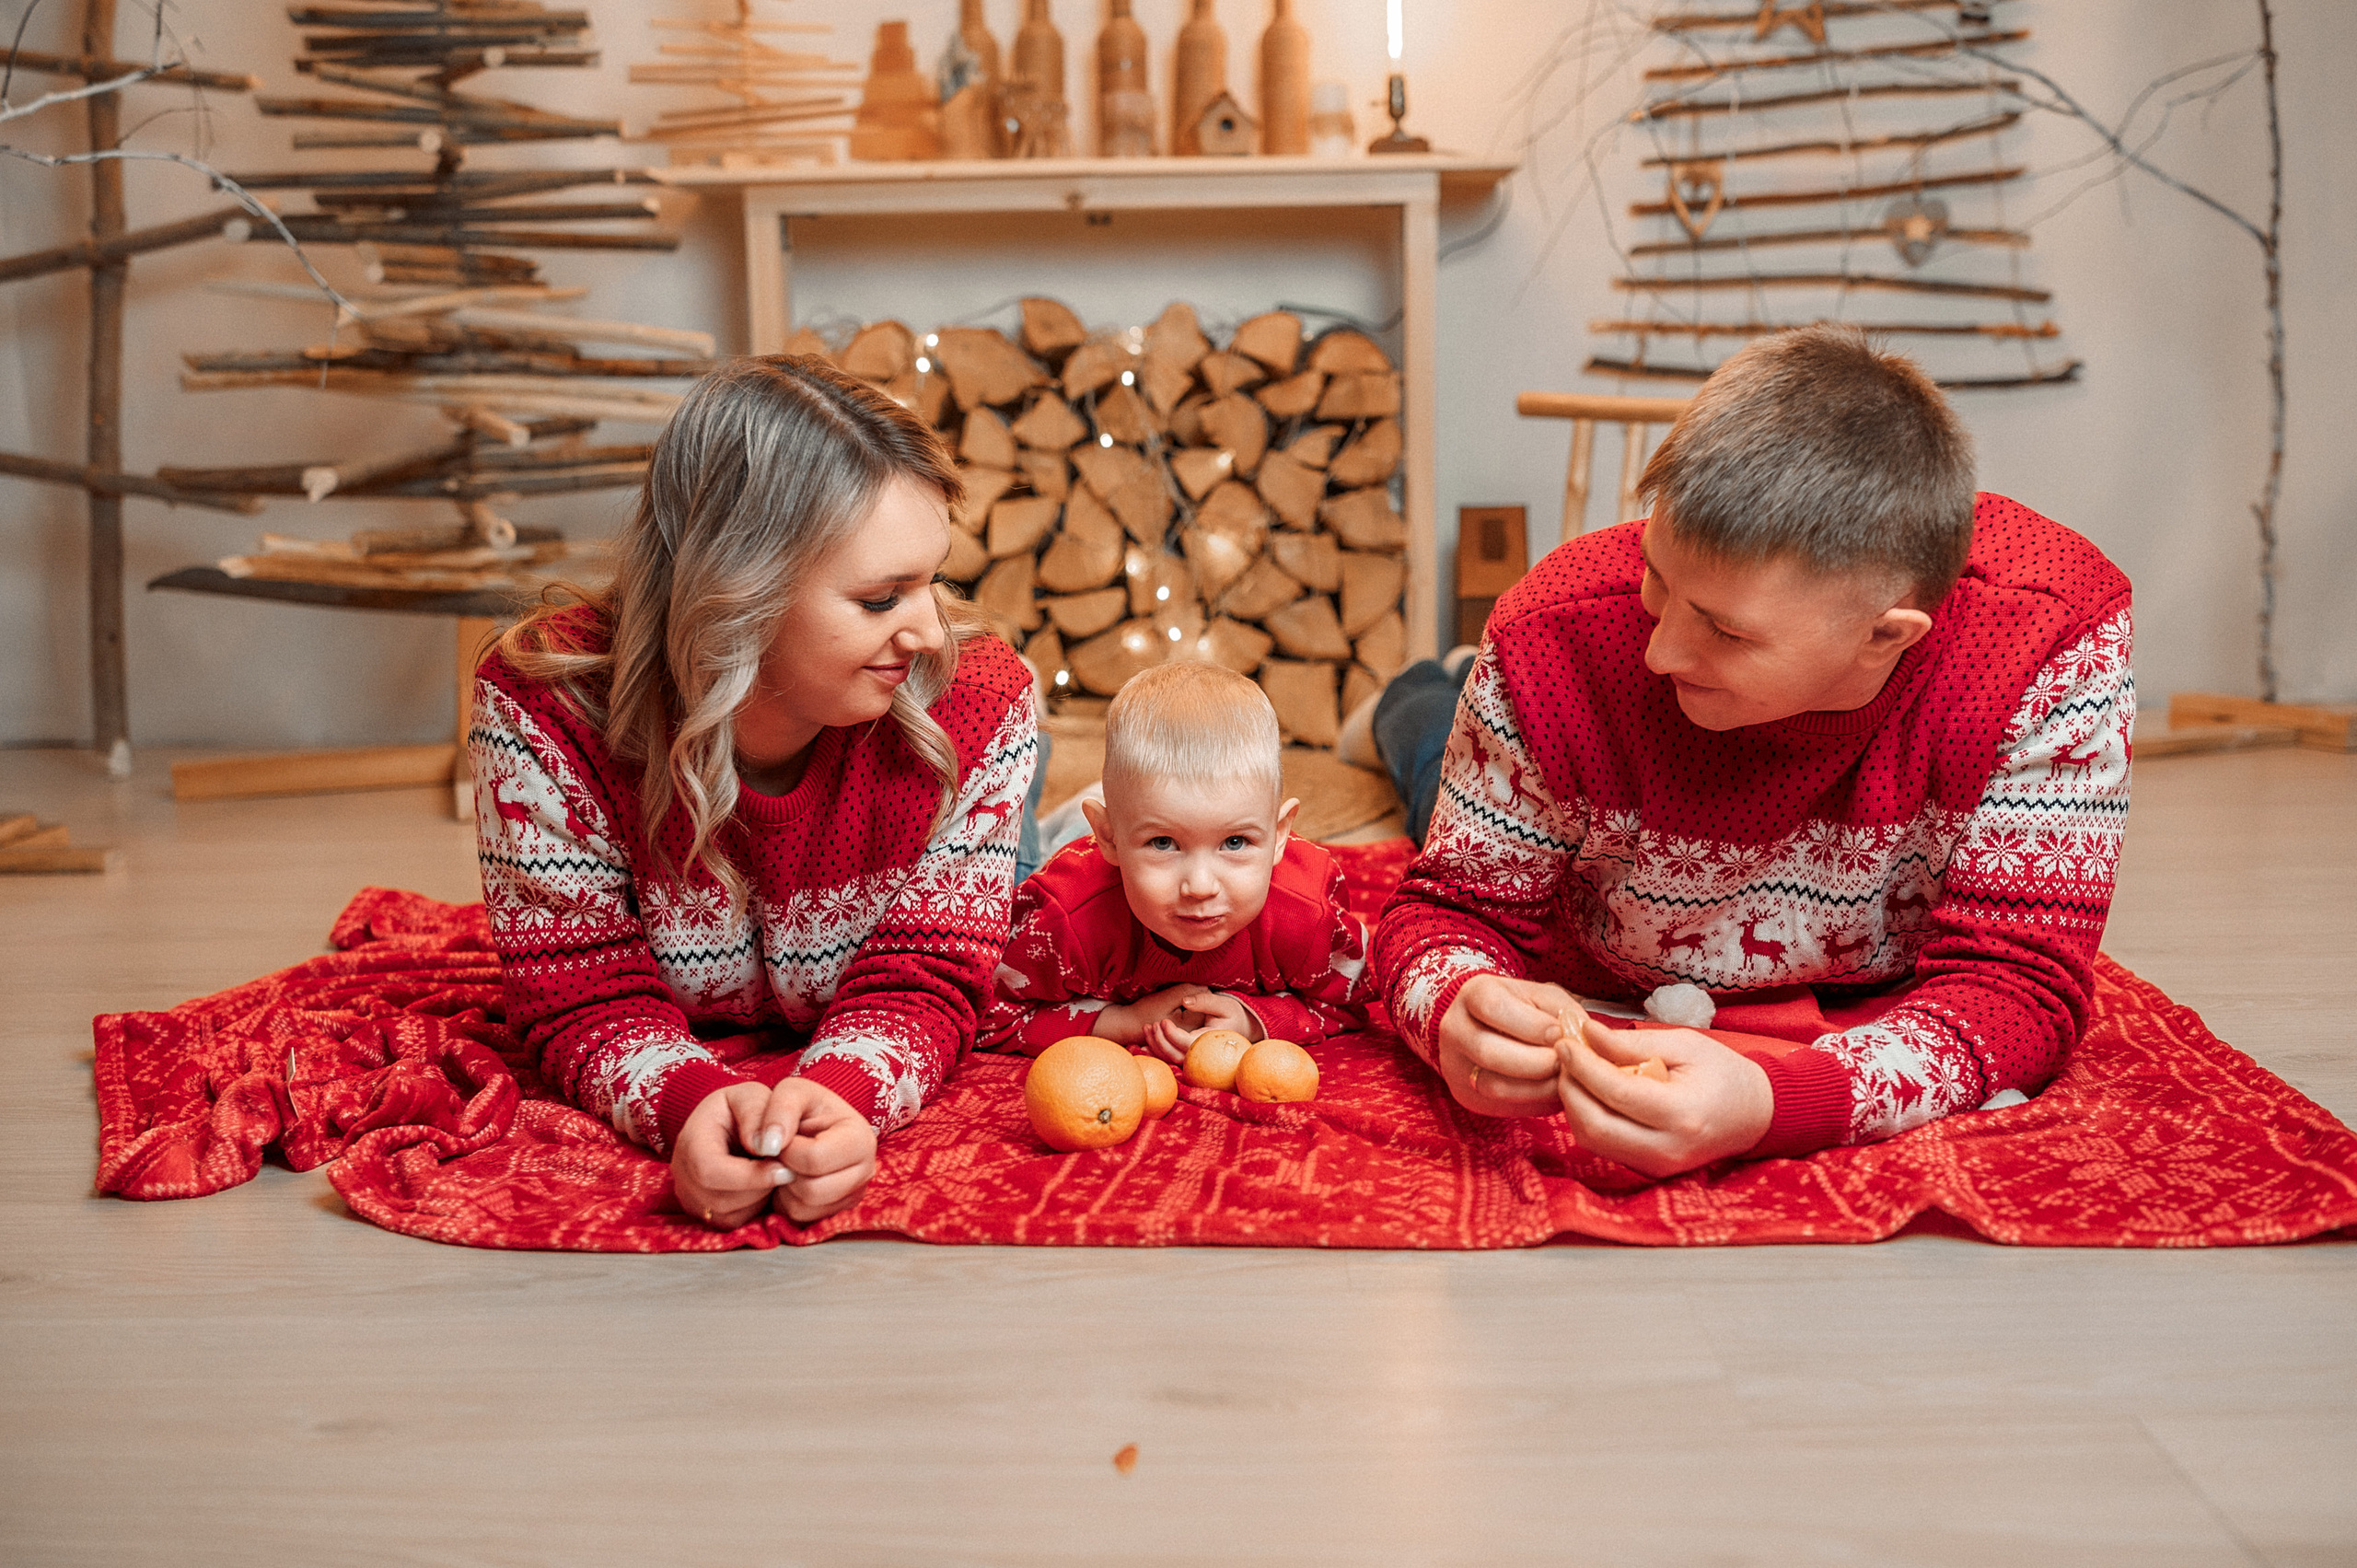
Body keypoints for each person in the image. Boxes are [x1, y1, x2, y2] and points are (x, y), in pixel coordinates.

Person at [1370, 324, 2133, 1177]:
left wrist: (1780, 1101)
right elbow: (1448, 912)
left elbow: (2020, 986)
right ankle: (1417, 694)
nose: (1660, 652)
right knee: (1427, 759)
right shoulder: (1551, 635)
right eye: (1659, 578)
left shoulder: (2051, 643)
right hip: (1558, 824)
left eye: (1726, 630)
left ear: (1887, 636)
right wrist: (1450, 1007)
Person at [471, 356, 1038, 1230]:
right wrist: (690, 1104)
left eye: (934, 580)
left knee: (1066, 899)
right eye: (883, 596)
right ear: (736, 590)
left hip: (973, 831)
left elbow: (929, 973)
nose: (927, 630)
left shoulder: (979, 701)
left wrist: (841, 1096)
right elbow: (579, 991)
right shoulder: (543, 708)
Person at [981, 662, 1371, 1061]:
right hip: (1075, 864)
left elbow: (1352, 1002)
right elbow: (988, 1012)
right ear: (1108, 837)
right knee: (1010, 851)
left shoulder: (1309, 916)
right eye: (1163, 843)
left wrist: (1253, 1021)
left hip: (1114, 837)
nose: (1201, 886)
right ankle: (1026, 727)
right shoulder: (1064, 916)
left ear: (1280, 836)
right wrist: (1122, 1023)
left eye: (1235, 842)